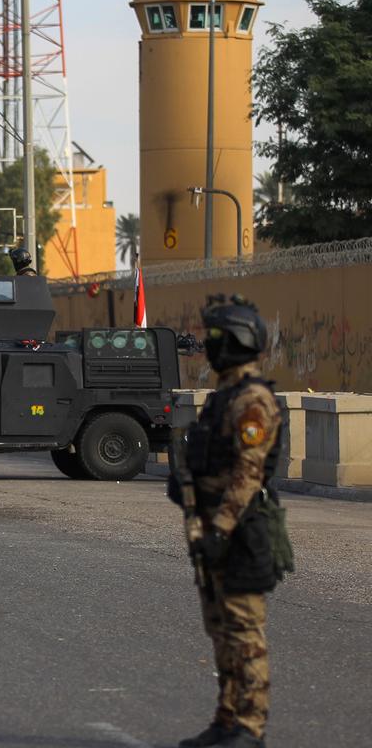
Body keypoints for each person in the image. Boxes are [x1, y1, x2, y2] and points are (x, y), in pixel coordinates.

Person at [171, 295, 284, 748]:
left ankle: (250, 728)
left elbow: (248, 473)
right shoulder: (224, 398)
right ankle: (226, 720)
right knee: (221, 633)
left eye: (216, 339)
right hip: (213, 530)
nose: (210, 348)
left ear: (237, 342)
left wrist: (220, 530)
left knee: (245, 634)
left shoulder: (253, 400)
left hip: (241, 532)